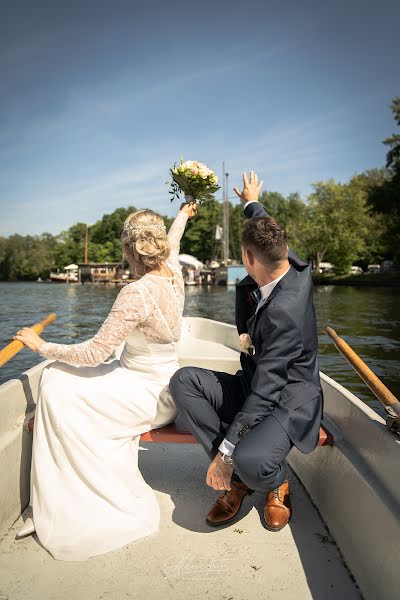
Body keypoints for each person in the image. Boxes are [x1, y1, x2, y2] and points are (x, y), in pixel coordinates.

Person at [14, 201, 197, 561]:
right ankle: (54, 491)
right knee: (57, 382)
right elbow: (174, 242)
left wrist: (41, 345)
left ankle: (61, 500)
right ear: (158, 245)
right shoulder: (174, 271)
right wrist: (183, 216)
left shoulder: (135, 293)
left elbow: (95, 353)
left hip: (143, 392)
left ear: (129, 249)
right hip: (166, 387)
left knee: (54, 380)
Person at [170, 171, 323, 532]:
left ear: (247, 258)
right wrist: (251, 202)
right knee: (184, 382)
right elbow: (263, 228)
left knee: (251, 459)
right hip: (254, 383)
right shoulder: (293, 266)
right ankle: (237, 477)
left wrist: (225, 454)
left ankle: (271, 479)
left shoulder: (285, 312)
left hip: (287, 399)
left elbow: (269, 390)